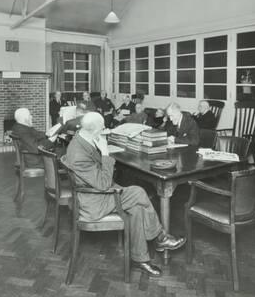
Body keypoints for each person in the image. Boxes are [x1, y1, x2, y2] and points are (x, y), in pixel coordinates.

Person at [62, 112, 186, 277]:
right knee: (139, 192)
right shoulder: (78, 154)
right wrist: (105, 153)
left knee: (137, 208)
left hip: (96, 193)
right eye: (102, 128)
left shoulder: (81, 137)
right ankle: (160, 237)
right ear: (94, 130)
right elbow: (104, 184)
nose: (104, 131)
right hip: (93, 202)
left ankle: (141, 259)